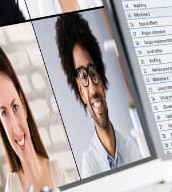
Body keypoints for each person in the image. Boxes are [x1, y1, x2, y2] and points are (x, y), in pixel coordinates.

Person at [55, 12, 145, 177]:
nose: (93, 90)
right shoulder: (89, 165)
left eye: (93, 73)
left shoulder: (132, 147)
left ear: (102, 81)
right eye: (83, 76)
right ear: (80, 93)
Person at [0, 39, 69, 192]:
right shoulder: (12, 188)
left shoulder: (57, 171)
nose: (15, 128)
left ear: (23, 104)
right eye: (4, 113)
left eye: (15, 107)